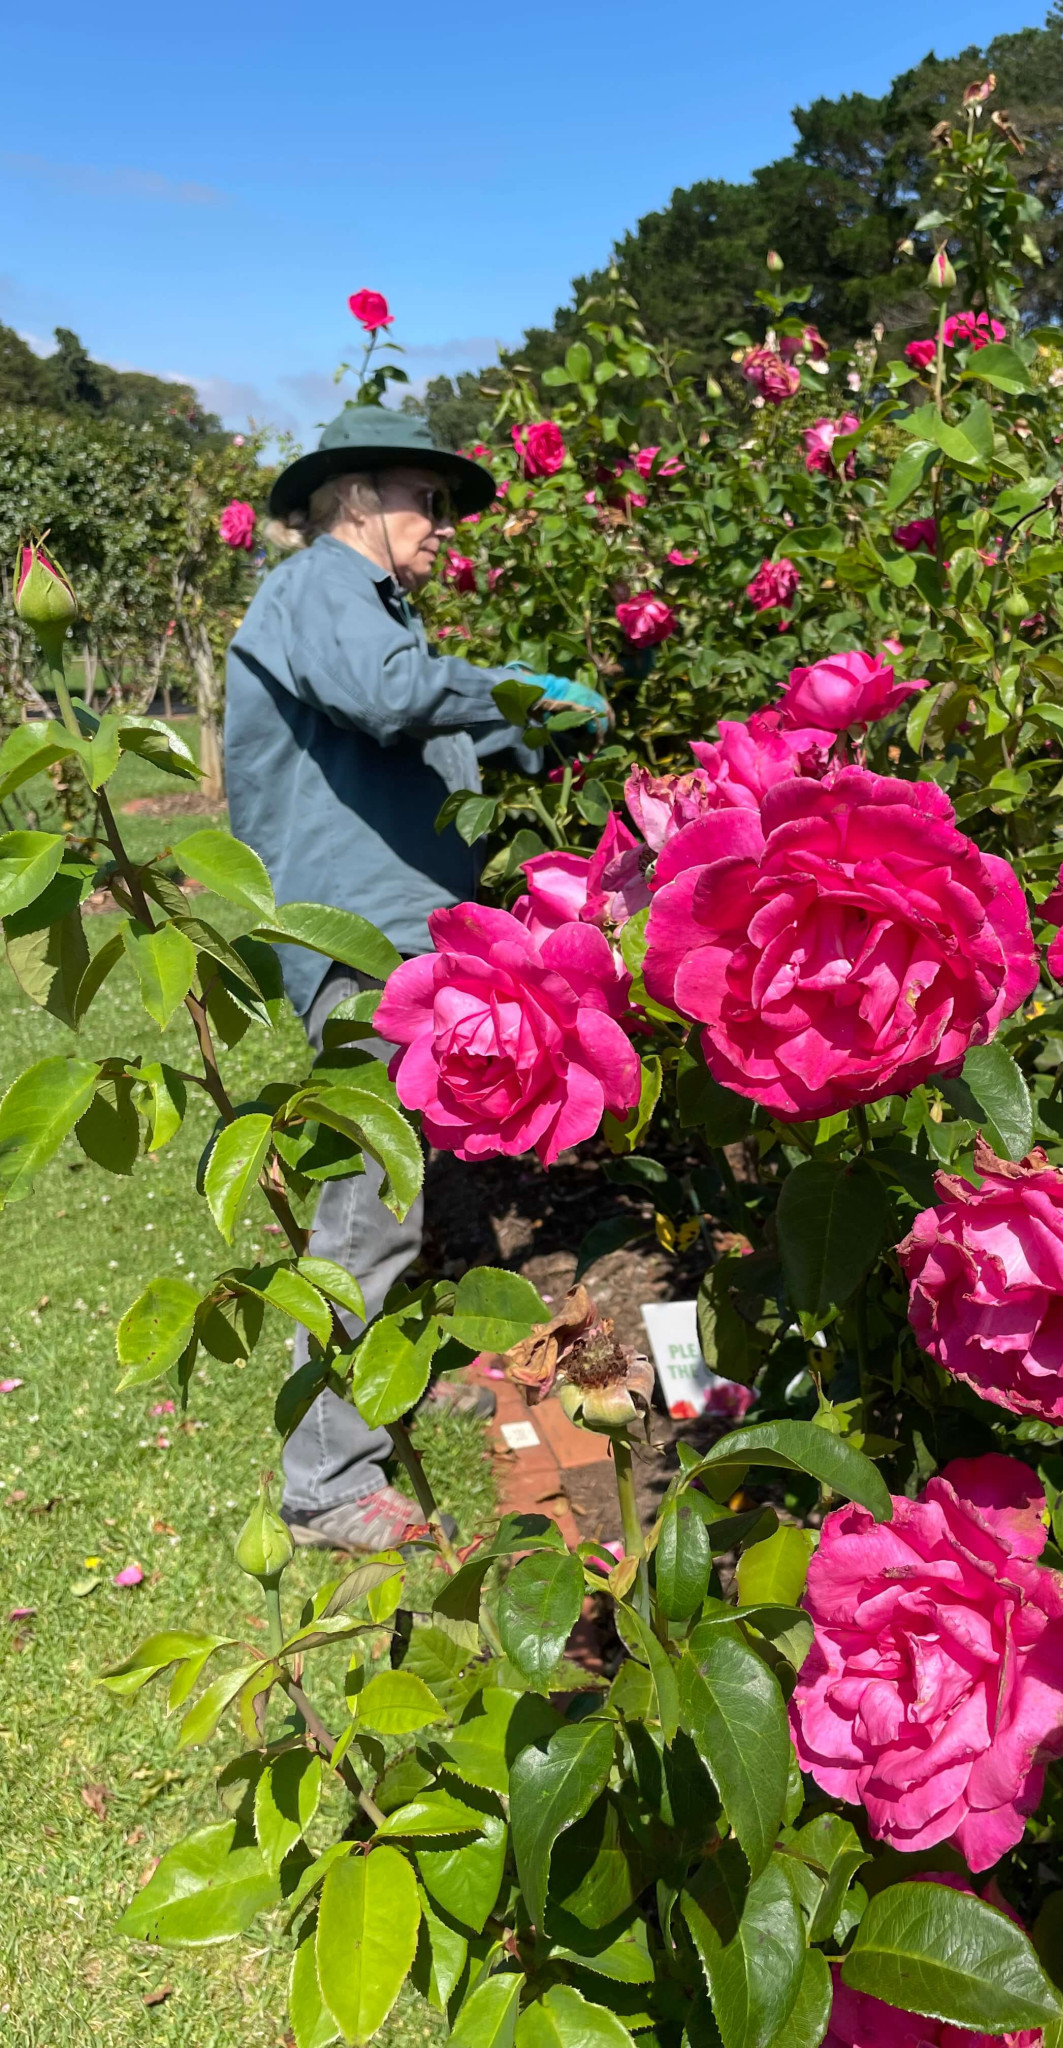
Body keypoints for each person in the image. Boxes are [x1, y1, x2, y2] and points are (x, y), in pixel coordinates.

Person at [226, 406, 607, 1552]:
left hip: (401, 933)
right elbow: (396, 697)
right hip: (359, 941)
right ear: (355, 501)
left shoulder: (376, 612)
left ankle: (387, 1381)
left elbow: (437, 735)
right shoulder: (321, 587)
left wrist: (536, 733)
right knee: (366, 1209)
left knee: (406, 1189)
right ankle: (327, 1483)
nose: (441, 527)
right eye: (425, 501)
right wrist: (525, 691)